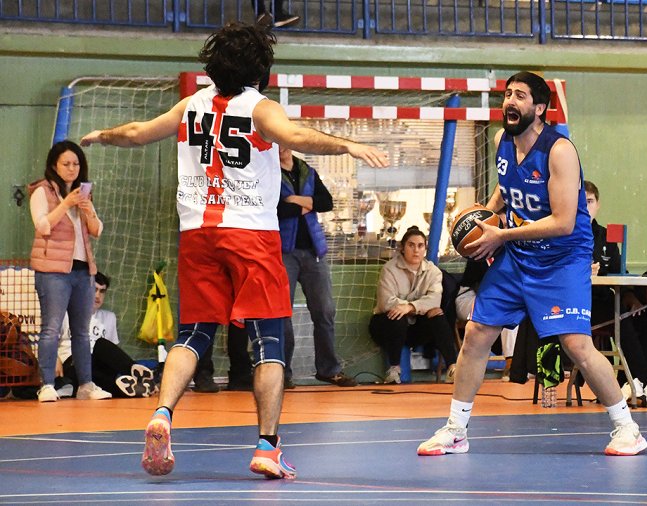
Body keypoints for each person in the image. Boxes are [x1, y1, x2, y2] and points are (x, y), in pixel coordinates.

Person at [80, 21, 388, 478]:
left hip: (198, 236)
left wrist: (102, 135)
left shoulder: (190, 105)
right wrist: (347, 143)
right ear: (261, 69)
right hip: (250, 236)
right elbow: (298, 138)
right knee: (269, 340)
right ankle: (267, 445)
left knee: (194, 333)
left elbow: (138, 131)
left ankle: (162, 413)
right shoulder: (259, 108)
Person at [417, 72, 647, 457]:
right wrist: (479, 223)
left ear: (539, 109)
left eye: (520, 96)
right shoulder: (501, 141)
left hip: (562, 258)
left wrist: (500, 236)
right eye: (507, 94)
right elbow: (504, 194)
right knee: (475, 333)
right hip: (520, 256)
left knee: (577, 344)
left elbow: (563, 222)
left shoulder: (559, 151)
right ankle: (456, 430)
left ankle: (627, 428)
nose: (510, 101)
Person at [28, 140, 112, 403]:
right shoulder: (42, 191)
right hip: (53, 271)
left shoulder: (83, 194)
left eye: (76, 164)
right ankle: (47, 385)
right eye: (66, 164)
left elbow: (97, 230)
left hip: (82, 270)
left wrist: (87, 210)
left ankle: (86, 385)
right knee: (51, 328)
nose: (72, 168)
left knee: (82, 331)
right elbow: (42, 226)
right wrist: (65, 205)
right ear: (54, 164)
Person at [277, 147, 357, 388]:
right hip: (283, 252)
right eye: (276, 141)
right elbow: (274, 208)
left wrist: (298, 201)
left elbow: (327, 202)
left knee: (325, 311)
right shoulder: (266, 171)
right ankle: (282, 373)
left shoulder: (306, 170)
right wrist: (307, 205)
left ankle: (328, 369)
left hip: (314, 251)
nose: (281, 146)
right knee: (282, 315)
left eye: (285, 141)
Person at [584, 181, 647, 408]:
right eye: (581, 201)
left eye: (590, 201)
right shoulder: (564, 235)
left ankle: (634, 382)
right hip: (580, 303)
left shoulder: (607, 237)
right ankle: (645, 380)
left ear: (598, 205)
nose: (585, 206)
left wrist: (632, 297)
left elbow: (619, 271)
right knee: (621, 315)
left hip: (607, 298)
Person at [369, 227, 458, 384]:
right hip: (387, 326)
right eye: (411, 245)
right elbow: (386, 302)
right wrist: (415, 308)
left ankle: (453, 367)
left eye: (420, 245)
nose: (416, 250)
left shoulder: (433, 271)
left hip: (417, 328)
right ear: (403, 248)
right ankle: (394, 370)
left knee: (437, 314)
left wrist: (409, 307)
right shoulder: (389, 269)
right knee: (397, 316)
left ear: (425, 248)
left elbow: (434, 300)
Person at [56, 272, 157, 398]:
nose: (98, 295)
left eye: (102, 291)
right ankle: (139, 383)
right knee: (89, 356)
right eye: (94, 290)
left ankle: (137, 376)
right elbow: (50, 340)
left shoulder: (109, 317)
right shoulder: (66, 314)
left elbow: (112, 353)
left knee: (102, 344)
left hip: (99, 367)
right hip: (74, 364)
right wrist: (56, 358)